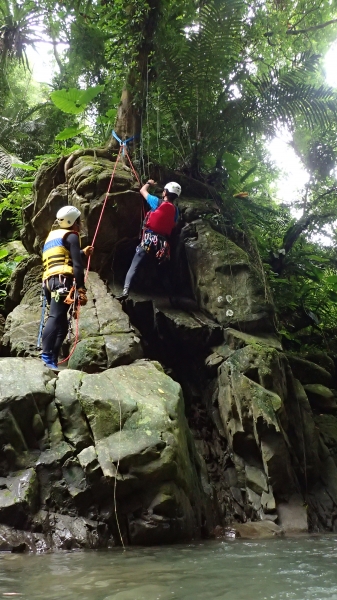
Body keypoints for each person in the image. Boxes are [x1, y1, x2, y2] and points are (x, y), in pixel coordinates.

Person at [40, 205, 93, 369]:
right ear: (73, 222)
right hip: (62, 281)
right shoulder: (72, 236)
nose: (80, 223)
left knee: (62, 320)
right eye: (78, 221)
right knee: (56, 317)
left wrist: (83, 252)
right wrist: (81, 288)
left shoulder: (52, 236)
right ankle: (46, 355)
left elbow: (65, 256)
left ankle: (53, 358)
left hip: (49, 282)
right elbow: (77, 265)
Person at [116, 180, 181, 301]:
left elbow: (142, 191)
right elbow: (173, 225)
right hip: (163, 244)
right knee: (163, 270)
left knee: (135, 264)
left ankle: (125, 291)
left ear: (165, 192)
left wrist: (149, 183)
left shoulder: (157, 202)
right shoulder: (176, 211)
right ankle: (172, 297)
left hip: (149, 239)